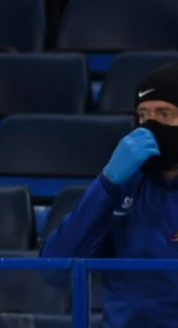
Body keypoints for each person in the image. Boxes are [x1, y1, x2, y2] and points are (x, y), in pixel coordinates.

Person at [40, 62, 178, 328]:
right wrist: (107, 182)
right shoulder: (123, 186)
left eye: (165, 114)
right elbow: (55, 269)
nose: (151, 127)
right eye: (143, 116)